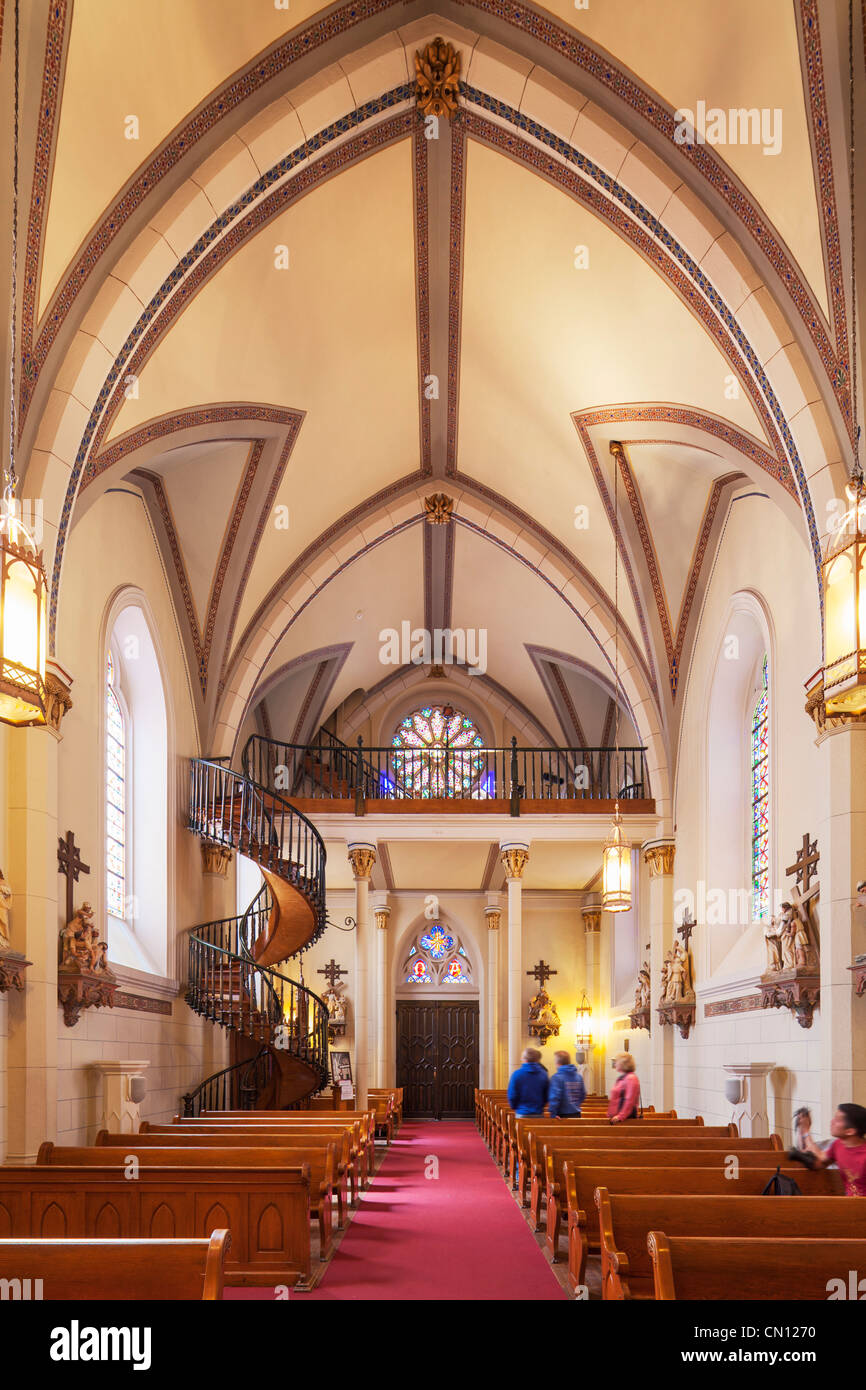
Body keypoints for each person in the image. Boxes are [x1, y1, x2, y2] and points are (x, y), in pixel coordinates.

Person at [797, 1103, 866, 1195]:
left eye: (837, 1120)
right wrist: (805, 1131)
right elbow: (820, 1157)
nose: (832, 1122)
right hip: (849, 1202)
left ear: (850, 1131)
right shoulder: (838, 1145)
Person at [507, 1047, 549, 1117]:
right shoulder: (543, 1074)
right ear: (537, 1059)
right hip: (538, 1113)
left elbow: (512, 1095)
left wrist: (515, 1107)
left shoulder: (517, 1074)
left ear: (524, 1059)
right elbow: (546, 1095)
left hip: (522, 1113)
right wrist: (541, 1106)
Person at [547, 1050, 586, 1118]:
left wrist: (553, 1114)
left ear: (558, 1063)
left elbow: (554, 1098)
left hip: (561, 1116)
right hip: (576, 1114)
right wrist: (575, 1105)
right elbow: (583, 1094)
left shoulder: (557, 1077)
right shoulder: (578, 1077)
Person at [607, 1051, 641, 1123]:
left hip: (624, 1119)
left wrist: (620, 1116)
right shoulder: (622, 1078)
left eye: (617, 1061)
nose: (615, 1063)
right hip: (616, 1118)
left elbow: (629, 1100)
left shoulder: (631, 1078)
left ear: (623, 1063)